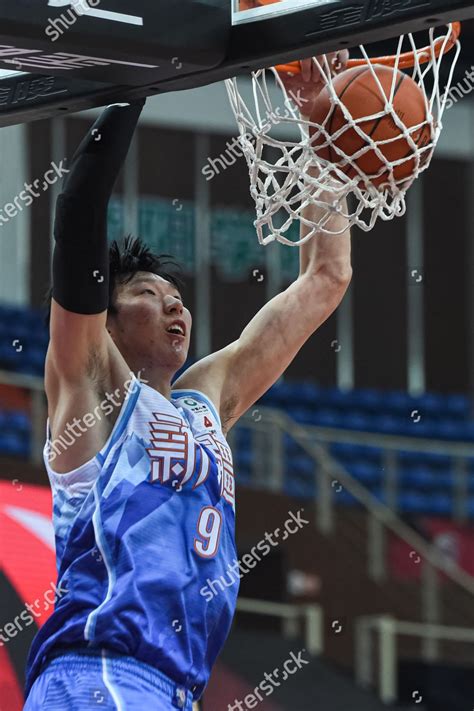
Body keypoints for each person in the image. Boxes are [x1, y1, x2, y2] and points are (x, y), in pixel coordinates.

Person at [24, 55, 352, 710]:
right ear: (107, 320)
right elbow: (80, 205)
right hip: (98, 672)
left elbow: (326, 278)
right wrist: (143, 77)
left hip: (173, 689)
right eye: (151, 293)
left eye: (180, 296)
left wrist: (324, 122)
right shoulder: (92, 388)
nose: (177, 306)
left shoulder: (209, 400)